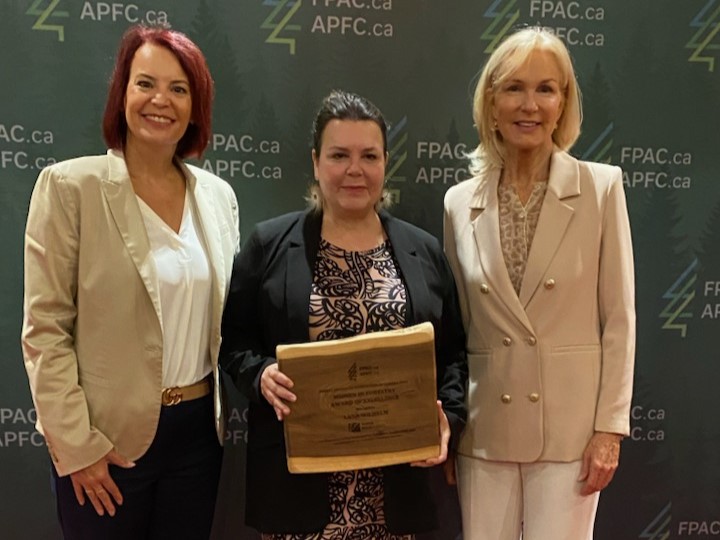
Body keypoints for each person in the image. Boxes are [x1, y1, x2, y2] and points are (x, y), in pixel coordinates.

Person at [21, 24, 239, 540]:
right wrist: (76, 446)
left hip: (196, 439)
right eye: (145, 84)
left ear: (195, 105)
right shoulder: (70, 187)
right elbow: (45, 330)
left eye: (179, 89)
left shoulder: (217, 196)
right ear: (123, 93)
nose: (160, 100)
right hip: (106, 440)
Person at [220, 90, 468, 539]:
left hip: (398, 496)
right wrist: (260, 377)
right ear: (316, 162)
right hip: (298, 498)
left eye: (368, 155)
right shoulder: (269, 245)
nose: (354, 169)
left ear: (385, 163)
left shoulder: (424, 251)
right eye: (339, 155)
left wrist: (448, 418)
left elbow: (452, 355)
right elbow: (233, 343)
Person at [443, 27, 635, 540]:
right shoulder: (459, 201)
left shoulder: (601, 187)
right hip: (486, 431)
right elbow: (456, 327)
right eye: (514, 88)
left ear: (563, 101)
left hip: (570, 433)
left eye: (546, 89)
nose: (529, 105)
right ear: (491, 100)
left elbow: (619, 319)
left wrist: (609, 429)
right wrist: (450, 422)